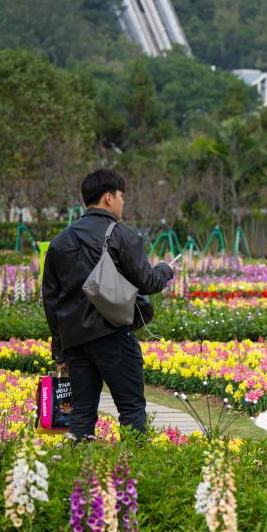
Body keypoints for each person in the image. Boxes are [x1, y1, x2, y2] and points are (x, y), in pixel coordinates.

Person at [42, 169, 175, 440]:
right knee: (131, 407)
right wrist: (166, 270)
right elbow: (148, 282)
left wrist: (60, 348)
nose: (123, 202)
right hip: (112, 335)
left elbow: (51, 300)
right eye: (121, 196)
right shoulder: (120, 234)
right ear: (108, 197)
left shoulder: (60, 241)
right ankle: (135, 470)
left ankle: (79, 470)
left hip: (75, 341)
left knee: (80, 411)